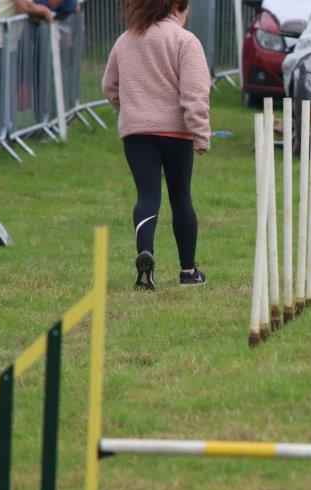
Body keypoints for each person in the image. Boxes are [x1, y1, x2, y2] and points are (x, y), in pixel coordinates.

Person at [102, 0, 211, 290]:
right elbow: (195, 92)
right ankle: (188, 271)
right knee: (181, 198)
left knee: (147, 196)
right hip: (176, 133)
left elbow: (109, 85)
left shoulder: (125, 40)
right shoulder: (185, 40)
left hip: (137, 132)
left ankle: (145, 255)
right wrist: (201, 133)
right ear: (177, 7)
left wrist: (131, 110)